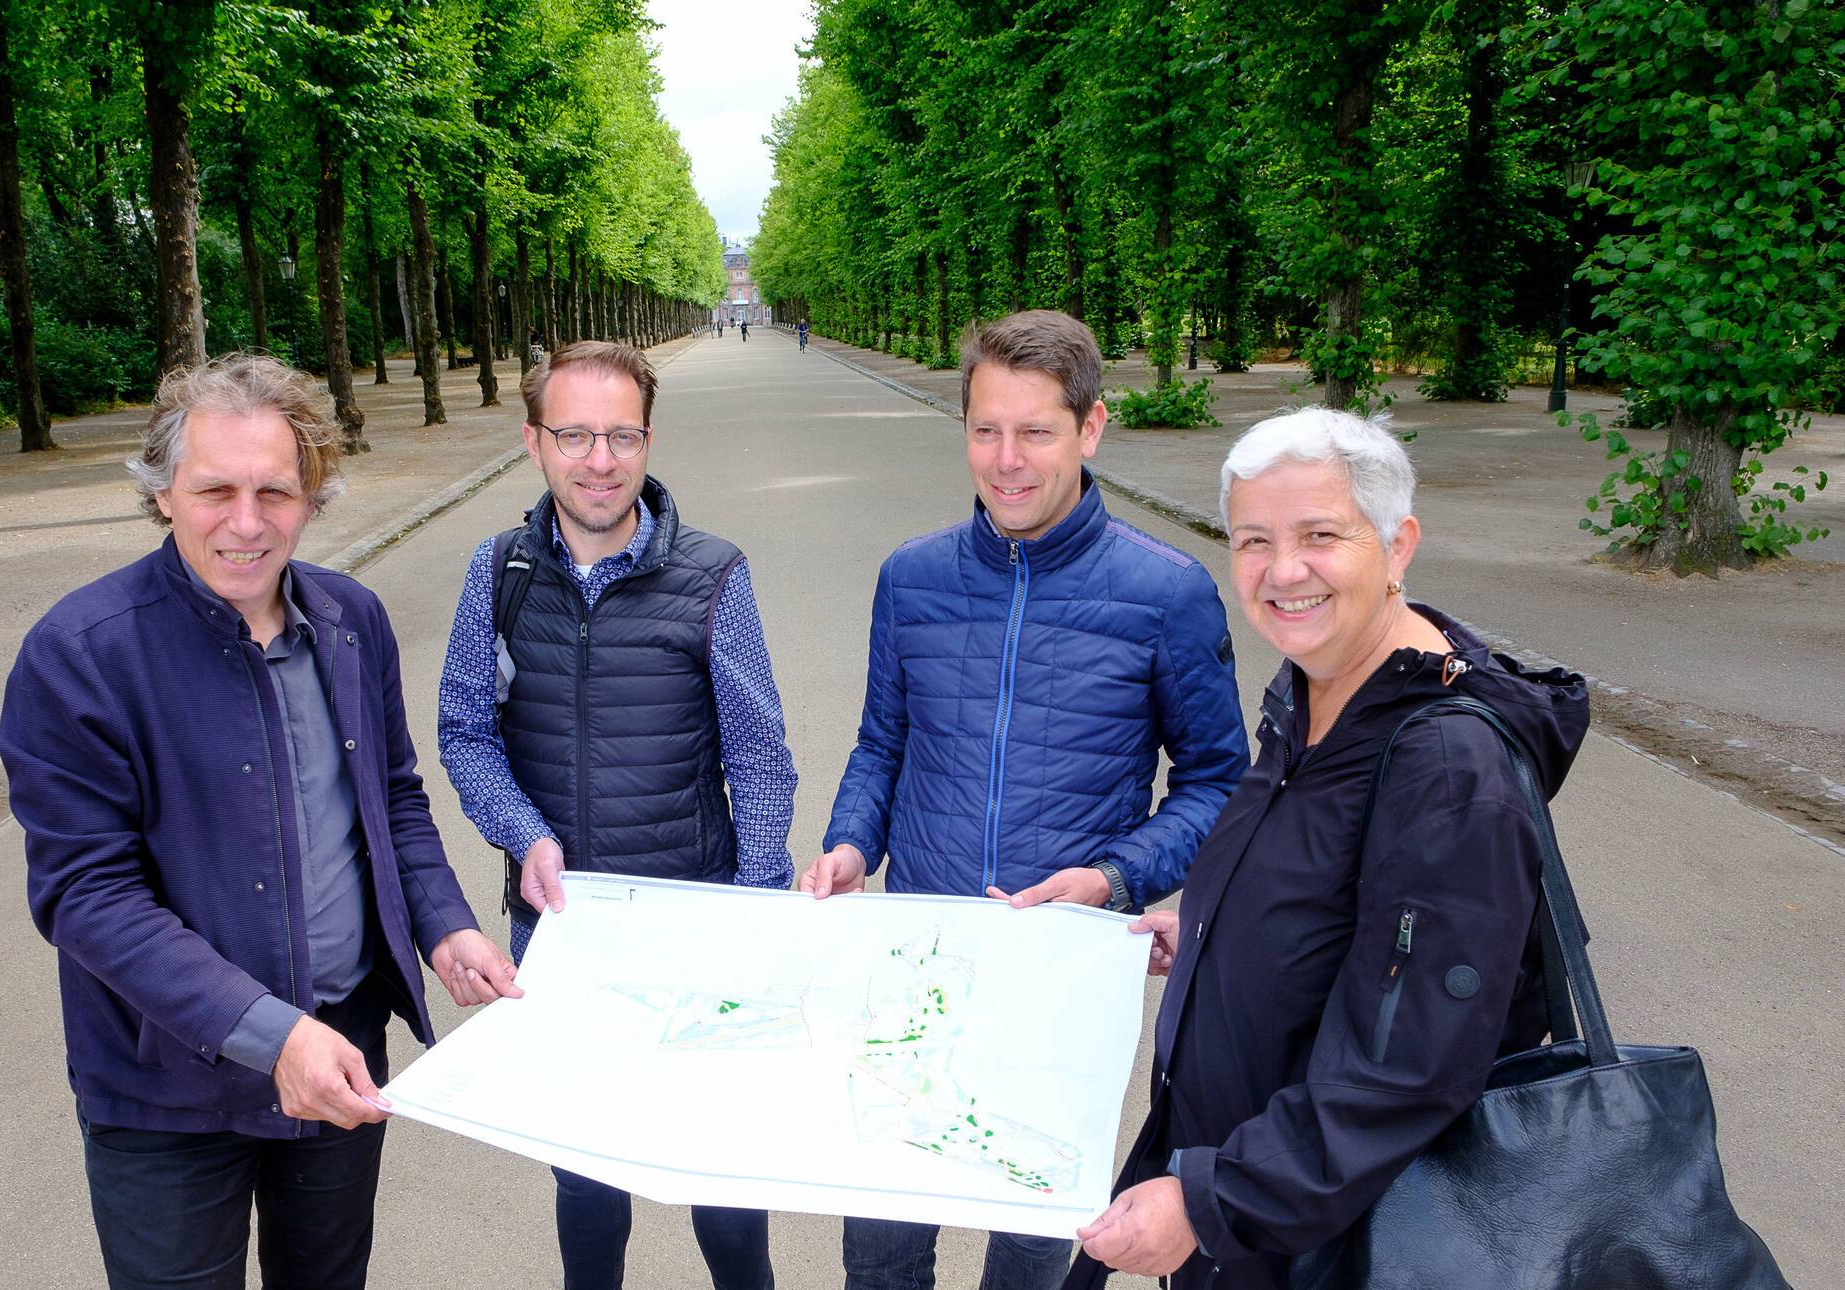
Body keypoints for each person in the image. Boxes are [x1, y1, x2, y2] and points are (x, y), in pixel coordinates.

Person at [0, 354, 518, 1290]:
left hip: (341, 1051)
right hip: (165, 1093)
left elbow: (392, 797)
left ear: (313, 495)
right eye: (215, 490)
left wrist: (446, 924)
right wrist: (268, 1034)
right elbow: (87, 896)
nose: (246, 522)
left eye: (276, 490)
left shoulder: (353, 617)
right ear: (163, 494)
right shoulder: (77, 654)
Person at [1064, 408, 1590, 1290]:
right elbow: (1343, 912)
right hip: (1268, 1208)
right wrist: (1207, 934)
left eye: (1320, 536)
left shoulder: (1446, 763)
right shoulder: (1317, 690)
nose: (1283, 571)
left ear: (1398, 544)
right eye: (1253, 540)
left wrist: (1211, 1204)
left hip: (1334, 1238)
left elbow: (1412, 1066)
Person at [803, 309, 1251, 1290]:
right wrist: (847, 846)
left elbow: (1222, 783)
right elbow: (882, 743)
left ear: (1089, 429)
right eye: (984, 430)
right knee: (878, 1257)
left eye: (1035, 432)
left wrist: (1113, 877)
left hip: (1061, 984)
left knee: (1034, 1261)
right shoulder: (909, 579)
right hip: (914, 968)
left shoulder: (1165, 591)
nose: (1005, 461)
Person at [438, 339, 799, 1290]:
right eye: (575, 434)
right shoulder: (499, 573)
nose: (600, 458)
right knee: (587, 1182)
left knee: (723, 1182)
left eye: (621, 435)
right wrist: (525, 834)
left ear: (646, 440)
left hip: (697, 929)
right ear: (535, 442)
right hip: (561, 939)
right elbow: (465, 732)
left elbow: (758, 752)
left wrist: (757, 903)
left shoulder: (714, 573)